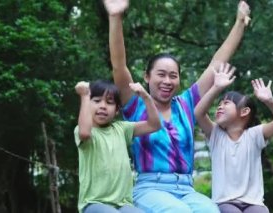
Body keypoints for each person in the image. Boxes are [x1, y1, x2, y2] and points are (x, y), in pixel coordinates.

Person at [104, 0, 251, 212]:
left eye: (173, 76)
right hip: (149, 188)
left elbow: (216, 64)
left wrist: (239, 22)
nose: (167, 81)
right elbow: (119, 66)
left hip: (186, 189)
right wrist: (115, 17)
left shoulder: (186, 105)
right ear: (147, 77)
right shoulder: (135, 104)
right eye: (161, 75)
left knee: (210, 210)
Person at [194, 63, 273, 213]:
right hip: (225, 203)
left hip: (254, 203)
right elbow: (199, 113)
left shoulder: (254, 135)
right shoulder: (216, 135)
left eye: (226, 103)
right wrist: (216, 88)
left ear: (244, 111)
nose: (220, 106)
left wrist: (269, 101)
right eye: (219, 104)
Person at [74, 80, 161, 213]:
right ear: (87, 105)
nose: (103, 106)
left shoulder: (121, 129)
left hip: (123, 204)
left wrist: (146, 96)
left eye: (109, 102)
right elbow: (84, 133)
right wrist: (85, 96)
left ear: (116, 110)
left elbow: (154, 125)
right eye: (97, 101)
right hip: (93, 203)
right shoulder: (85, 131)